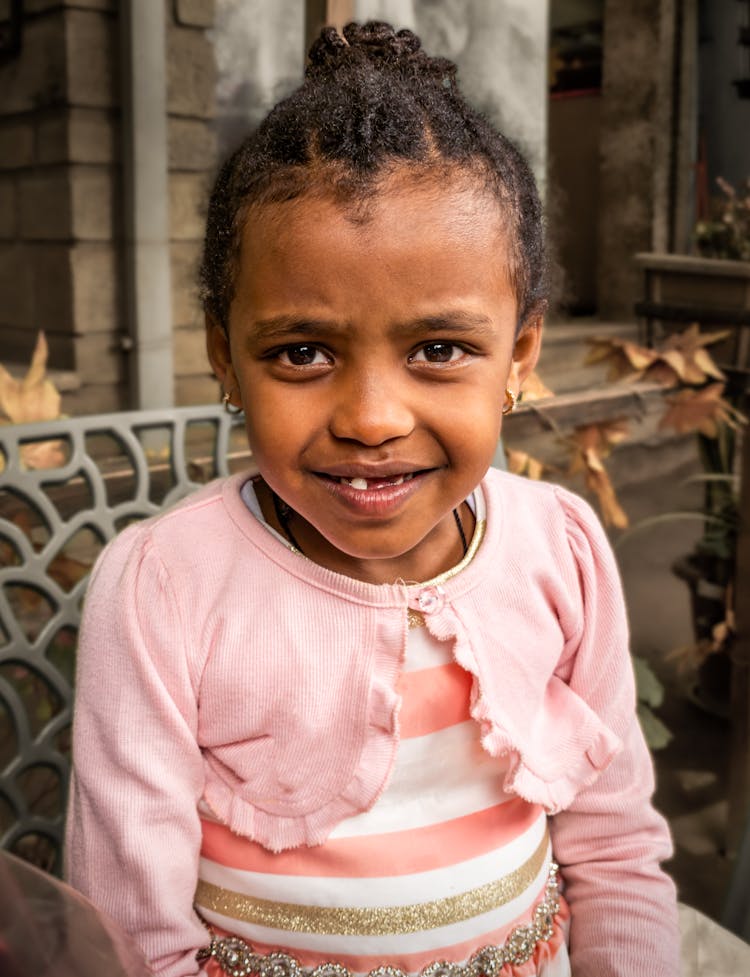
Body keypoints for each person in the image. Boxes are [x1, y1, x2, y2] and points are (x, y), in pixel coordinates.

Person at [65, 21, 681, 977]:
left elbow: (615, 849)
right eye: (301, 351)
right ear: (224, 355)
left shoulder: (559, 545)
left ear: (518, 355)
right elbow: (134, 934)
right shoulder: (161, 587)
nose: (370, 418)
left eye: (439, 349)